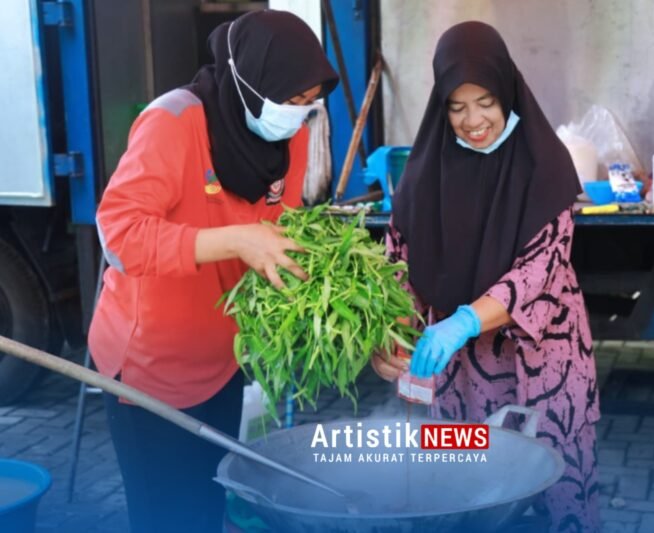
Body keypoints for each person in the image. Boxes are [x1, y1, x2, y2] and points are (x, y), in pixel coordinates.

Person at [87, 10, 338, 533]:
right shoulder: (173, 123)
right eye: (290, 101)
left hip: (222, 363)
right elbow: (118, 233)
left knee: (206, 509)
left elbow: (277, 231)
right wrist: (233, 240)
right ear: (249, 80)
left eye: (307, 101)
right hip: (150, 373)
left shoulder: (287, 137)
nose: (298, 115)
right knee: (166, 518)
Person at [371, 21, 600, 532]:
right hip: (459, 378)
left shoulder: (545, 165)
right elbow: (397, 267)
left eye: (486, 102)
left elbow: (541, 268)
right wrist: (389, 337)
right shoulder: (423, 174)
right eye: (457, 106)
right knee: (463, 498)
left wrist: (463, 321)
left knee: (552, 491)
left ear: (508, 92)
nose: (473, 120)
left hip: (542, 369)